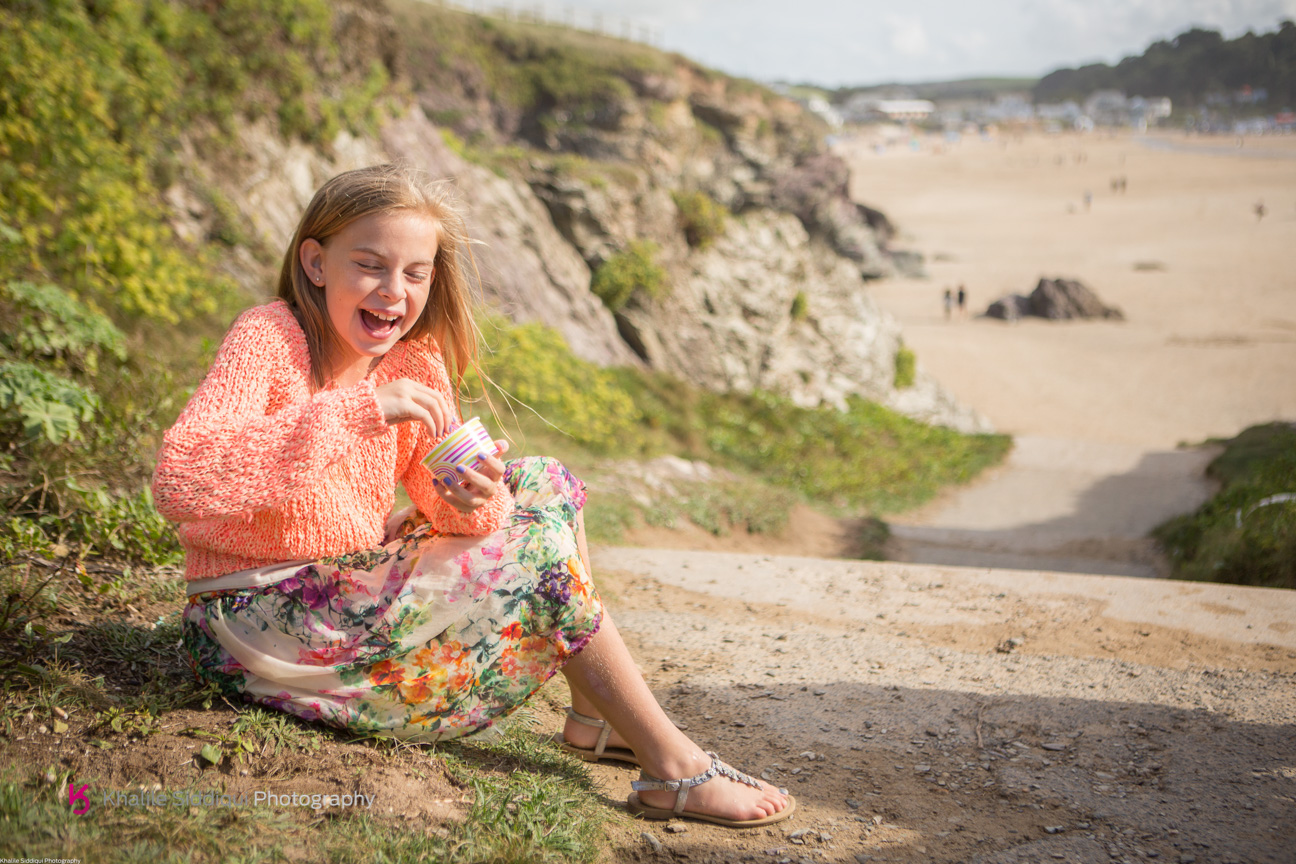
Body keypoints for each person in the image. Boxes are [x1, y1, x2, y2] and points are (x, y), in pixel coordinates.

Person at [151, 164, 793, 828]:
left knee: (541, 481)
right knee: (537, 552)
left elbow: (471, 518)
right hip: (252, 617)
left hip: (339, 589)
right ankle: (674, 769)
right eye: (369, 265)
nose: (393, 292)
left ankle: (592, 720)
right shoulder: (269, 337)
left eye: (415, 273)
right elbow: (181, 482)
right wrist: (361, 409)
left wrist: (472, 492)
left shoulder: (413, 364)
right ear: (316, 262)